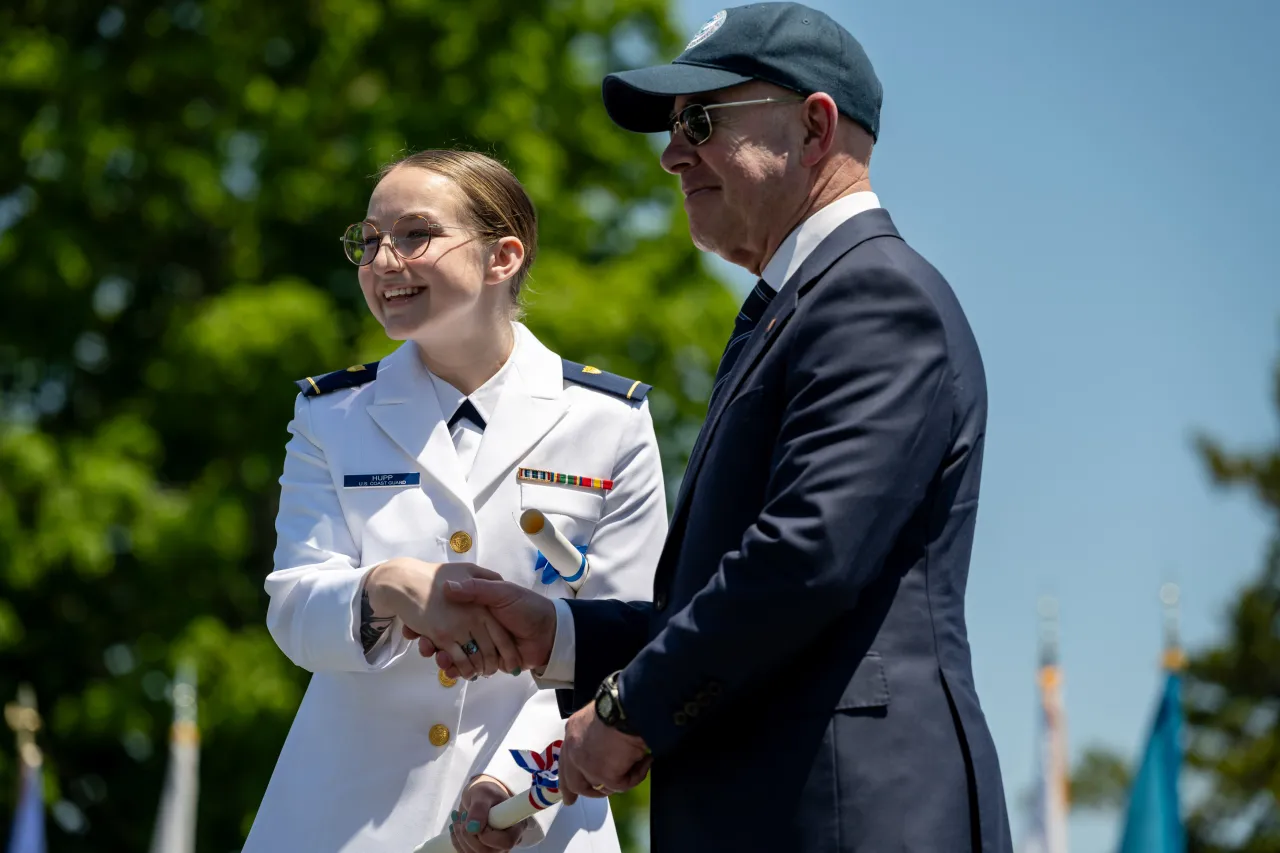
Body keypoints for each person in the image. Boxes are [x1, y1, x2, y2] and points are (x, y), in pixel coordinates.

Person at [422, 4, 1015, 851]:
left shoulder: (875, 297)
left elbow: (803, 558)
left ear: (814, 127)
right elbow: (731, 591)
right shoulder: (802, 308)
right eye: (670, 129)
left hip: (851, 815)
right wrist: (557, 633)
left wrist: (629, 709)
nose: (670, 155)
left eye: (699, 121)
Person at [243, 149, 668, 853]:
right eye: (370, 239)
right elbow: (292, 608)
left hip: (533, 818)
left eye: (415, 234)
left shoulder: (610, 421)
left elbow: (625, 636)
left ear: (503, 257)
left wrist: (514, 782)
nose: (384, 259)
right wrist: (388, 587)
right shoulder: (331, 414)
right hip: (344, 819)